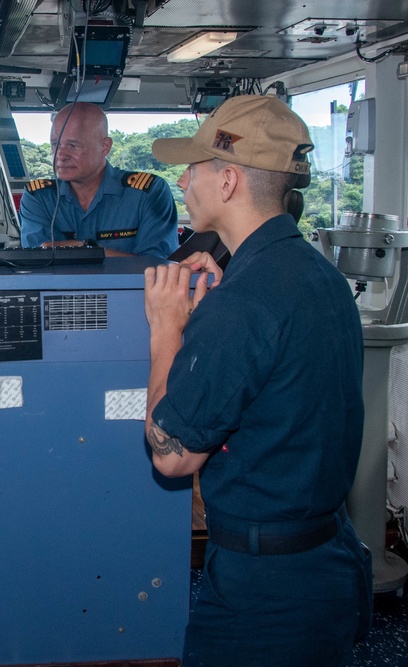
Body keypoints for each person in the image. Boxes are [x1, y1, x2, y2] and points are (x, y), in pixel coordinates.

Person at [143, 95, 372, 666]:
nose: (184, 182)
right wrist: (224, 306)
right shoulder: (318, 275)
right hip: (327, 560)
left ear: (226, 182)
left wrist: (167, 330)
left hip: (266, 592)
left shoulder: (244, 303)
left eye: (192, 169)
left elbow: (172, 459)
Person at [19, 101, 179, 257]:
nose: (60, 156)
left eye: (73, 146)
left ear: (105, 147)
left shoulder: (148, 193)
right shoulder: (39, 197)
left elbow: (157, 266)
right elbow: (38, 263)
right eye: (55, 145)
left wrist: (83, 249)